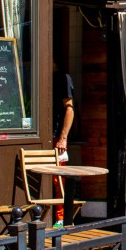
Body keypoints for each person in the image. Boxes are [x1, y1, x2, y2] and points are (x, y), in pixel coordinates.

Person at [52, 59, 76, 227]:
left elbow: (70, 109)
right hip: (43, 135)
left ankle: (61, 218)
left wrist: (63, 138)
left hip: (56, 138)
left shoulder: (62, 78)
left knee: (58, 179)